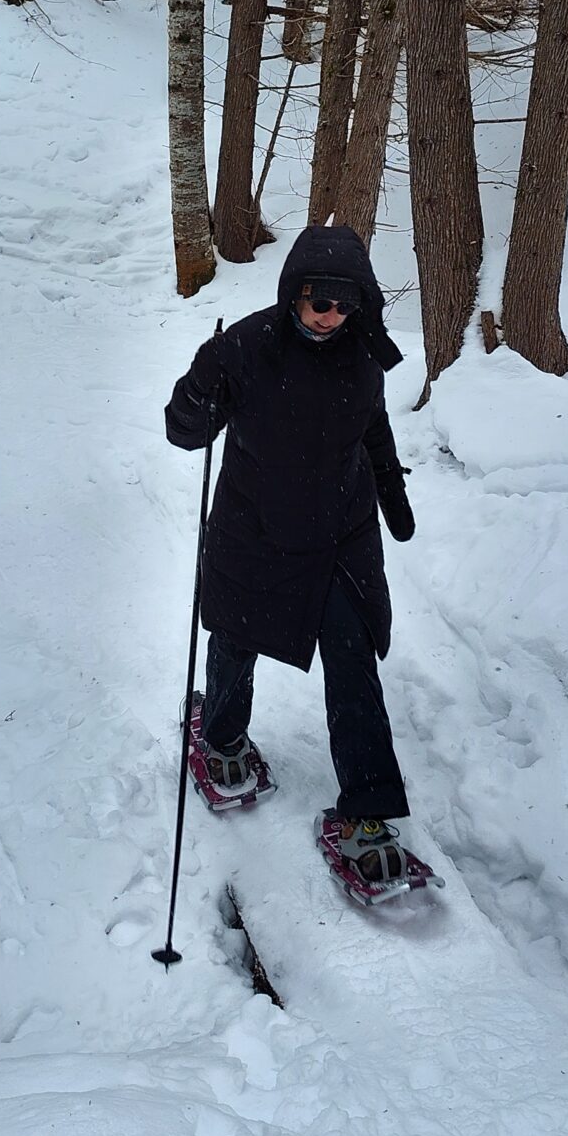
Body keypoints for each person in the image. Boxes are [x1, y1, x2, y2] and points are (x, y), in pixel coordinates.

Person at [165, 224, 421, 894]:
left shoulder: (363, 354)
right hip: (258, 523)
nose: (330, 315)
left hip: (340, 533)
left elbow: (372, 427)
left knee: (352, 654)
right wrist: (197, 393)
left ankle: (366, 816)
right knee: (238, 630)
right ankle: (221, 738)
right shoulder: (248, 347)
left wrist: (393, 500)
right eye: (318, 301)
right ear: (295, 296)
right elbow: (183, 430)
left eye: (345, 303)